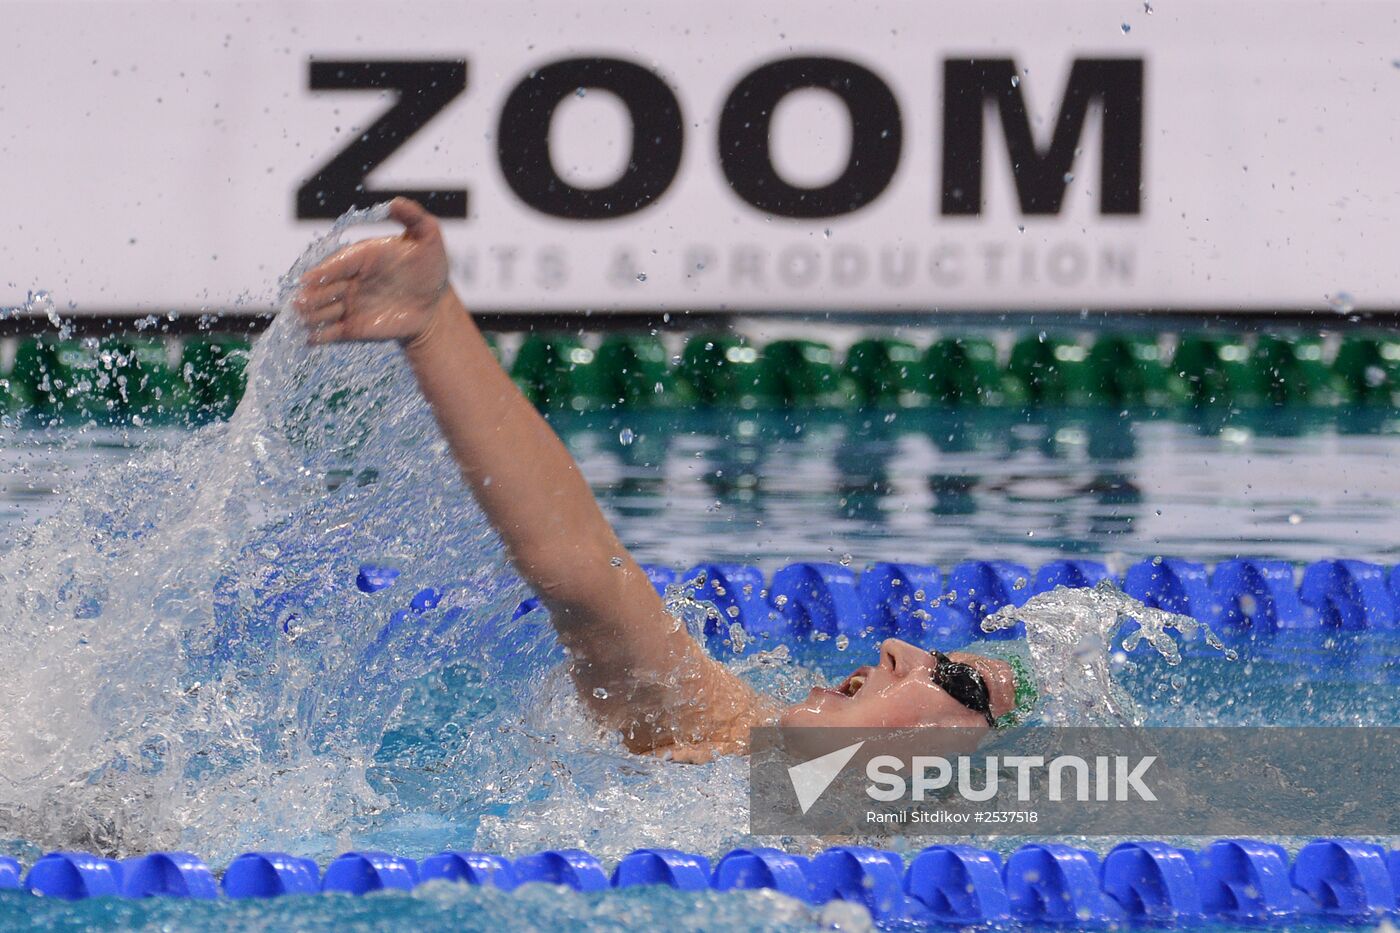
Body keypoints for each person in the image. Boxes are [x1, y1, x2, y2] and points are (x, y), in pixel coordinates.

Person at [293, 198, 1017, 764]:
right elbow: (584, 575)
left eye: (949, 684)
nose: (894, 649)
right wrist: (434, 323)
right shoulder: (727, 737)